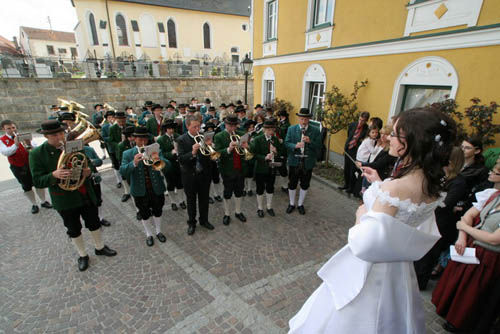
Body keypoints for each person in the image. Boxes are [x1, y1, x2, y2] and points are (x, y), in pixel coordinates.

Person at [289, 107, 457, 333]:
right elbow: (404, 219)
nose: (388, 137)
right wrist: (379, 184)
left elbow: (364, 245)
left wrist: (361, 216)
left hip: (370, 272)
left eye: (395, 134)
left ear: (411, 142)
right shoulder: (434, 186)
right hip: (399, 271)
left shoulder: (396, 187)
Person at [30, 120, 117, 271]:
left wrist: (88, 171)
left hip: (84, 193)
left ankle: (99, 247)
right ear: (46, 137)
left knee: (94, 222)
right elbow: (37, 181)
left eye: (61, 133)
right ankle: (82, 254)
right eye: (55, 135)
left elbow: (87, 163)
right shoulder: (37, 154)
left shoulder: (73, 145)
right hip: (64, 198)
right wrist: (53, 175)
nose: (60, 137)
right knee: (73, 228)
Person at [432, 161, 500, 333]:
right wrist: (462, 238)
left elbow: (494, 239)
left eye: (496, 171)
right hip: (473, 248)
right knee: (460, 287)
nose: (491, 173)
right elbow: (468, 215)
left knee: (474, 296)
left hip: (490, 258)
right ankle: (451, 316)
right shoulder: (493, 195)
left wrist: (465, 229)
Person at [413, 146, 467, 290]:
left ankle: (419, 282)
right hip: (429, 218)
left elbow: (446, 203)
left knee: (429, 254)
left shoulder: (459, 182)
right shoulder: (441, 176)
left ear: (451, 162)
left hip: (441, 223)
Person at [120, 126, 170, 247]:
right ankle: (149, 234)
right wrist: (134, 163)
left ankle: (158, 231)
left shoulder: (155, 150)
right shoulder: (128, 153)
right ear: (134, 139)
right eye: (140, 138)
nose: (143, 141)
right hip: (139, 190)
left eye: (145, 138)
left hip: (156, 188)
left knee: (158, 210)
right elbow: (122, 171)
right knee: (144, 213)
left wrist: (159, 159)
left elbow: (168, 166)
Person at [0, 120, 52, 213]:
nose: (12, 130)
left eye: (13, 127)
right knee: (26, 186)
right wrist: (15, 144)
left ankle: (43, 201)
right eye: (9, 128)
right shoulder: (2, 140)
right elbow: (6, 152)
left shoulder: (23, 136)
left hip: (31, 163)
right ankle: (34, 204)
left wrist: (29, 144)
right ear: (3, 129)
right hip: (18, 166)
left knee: (38, 182)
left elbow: (36, 149)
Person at [177, 115, 215, 235]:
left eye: (199, 126)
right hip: (189, 176)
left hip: (204, 174)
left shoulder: (204, 137)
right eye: (194, 127)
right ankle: (191, 223)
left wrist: (210, 147)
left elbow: (208, 157)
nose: (197, 129)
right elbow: (181, 159)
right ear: (188, 126)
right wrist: (192, 152)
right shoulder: (181, 139)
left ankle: (204, 220)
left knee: (204, 199)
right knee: (191, 201)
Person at [284, 108, 322, 215]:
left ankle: (300, 204)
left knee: (305, 184)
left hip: (307, 162)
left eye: (306, 119)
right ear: (298, 119)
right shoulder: (291, 129)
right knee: (292, 183)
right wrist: (295, 145)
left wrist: (310, 142)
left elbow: (319, 146)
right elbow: (286, 143)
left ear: (309, 119)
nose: (304, 121)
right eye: (301, 119)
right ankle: (291, 203)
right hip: (294, 161)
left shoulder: (315, 130)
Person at [214, 115, 249, 225]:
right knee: (227, 192)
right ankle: (227, 213)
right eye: (230, 126)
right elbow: (217, 153)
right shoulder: (219, 136)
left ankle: (238, 211)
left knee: (239, 191)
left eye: (234, 125)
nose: (233, 128)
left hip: (240, 167)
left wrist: (246, 147)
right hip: (227, 169)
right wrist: (229, 148)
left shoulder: (242, 133)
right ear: (226, 124)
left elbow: (247, 148)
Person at [250, 119, 284, 218]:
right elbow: (253, 154)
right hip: (261, 168)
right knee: (260, 188)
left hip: (272, 168)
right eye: (268, 129)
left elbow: (281, 153)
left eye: (272, 129)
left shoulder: (275, 139)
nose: (270, 132)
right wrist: (264, 157)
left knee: (270, 188)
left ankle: (269, 207)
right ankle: (260, 208)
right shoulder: (258, 139)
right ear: (264, 129)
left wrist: (276, 151)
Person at [157, 119, 186, 211]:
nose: (171, 130)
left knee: (180, 183)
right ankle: (173, 202)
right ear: (165, 129)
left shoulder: (178, 136)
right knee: (170, 184)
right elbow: (160, 154)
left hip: (178, 164)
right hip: (168, 165)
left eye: (173, 128)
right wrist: (171, 153)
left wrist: (179, 151)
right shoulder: (161, 139)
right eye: (169, 128)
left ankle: (181, 201)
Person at [339, 111, 370, 194]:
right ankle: (346, 184)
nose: (360, 122)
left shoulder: (367, 129)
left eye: (363, 121)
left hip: (356, 152)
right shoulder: (352, 125)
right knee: (346, 168)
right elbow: (349, 135)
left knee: (352, 170)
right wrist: (347, 147)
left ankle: (351, 188)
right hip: (349, 148)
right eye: (360, 119)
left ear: (366, 121)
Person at [82, 144, 111, 226]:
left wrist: (91, 161)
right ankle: (91, 219)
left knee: (98, 198)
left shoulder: (89, 149)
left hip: (93, 178)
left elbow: (99, 161)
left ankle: (101, 218)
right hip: (81, 182)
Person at [108, 111, 129, 192]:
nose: (121, 123)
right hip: (119, 152)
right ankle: (126, 191)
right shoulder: (112, 128)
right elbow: (110, 140)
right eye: (119, 121)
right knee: (121, 169)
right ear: (116, 120)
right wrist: (119, 144)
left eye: (123, 121)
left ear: (125, 119)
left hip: (129, 150)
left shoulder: (130, 126)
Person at [204, 121, 223, 203]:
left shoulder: (216, 138)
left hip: (214, 162)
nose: (210, 131)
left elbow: (218, 149)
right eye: (209, 130)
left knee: (216, 179)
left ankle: (216, 194)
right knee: (208, 180)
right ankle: (208, 195)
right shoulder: (203, 139)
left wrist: (213, 146)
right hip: (206, 162)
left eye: (211, 130)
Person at [276, 109, 290, 193]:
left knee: (282, 167)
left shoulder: (287, 125)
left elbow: (286, 136)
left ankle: (285, 185)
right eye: (280, 116)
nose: (281, 118)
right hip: (276, 147)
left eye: (282, 116)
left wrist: (282, 140)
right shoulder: (279, 123)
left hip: (283, 148)